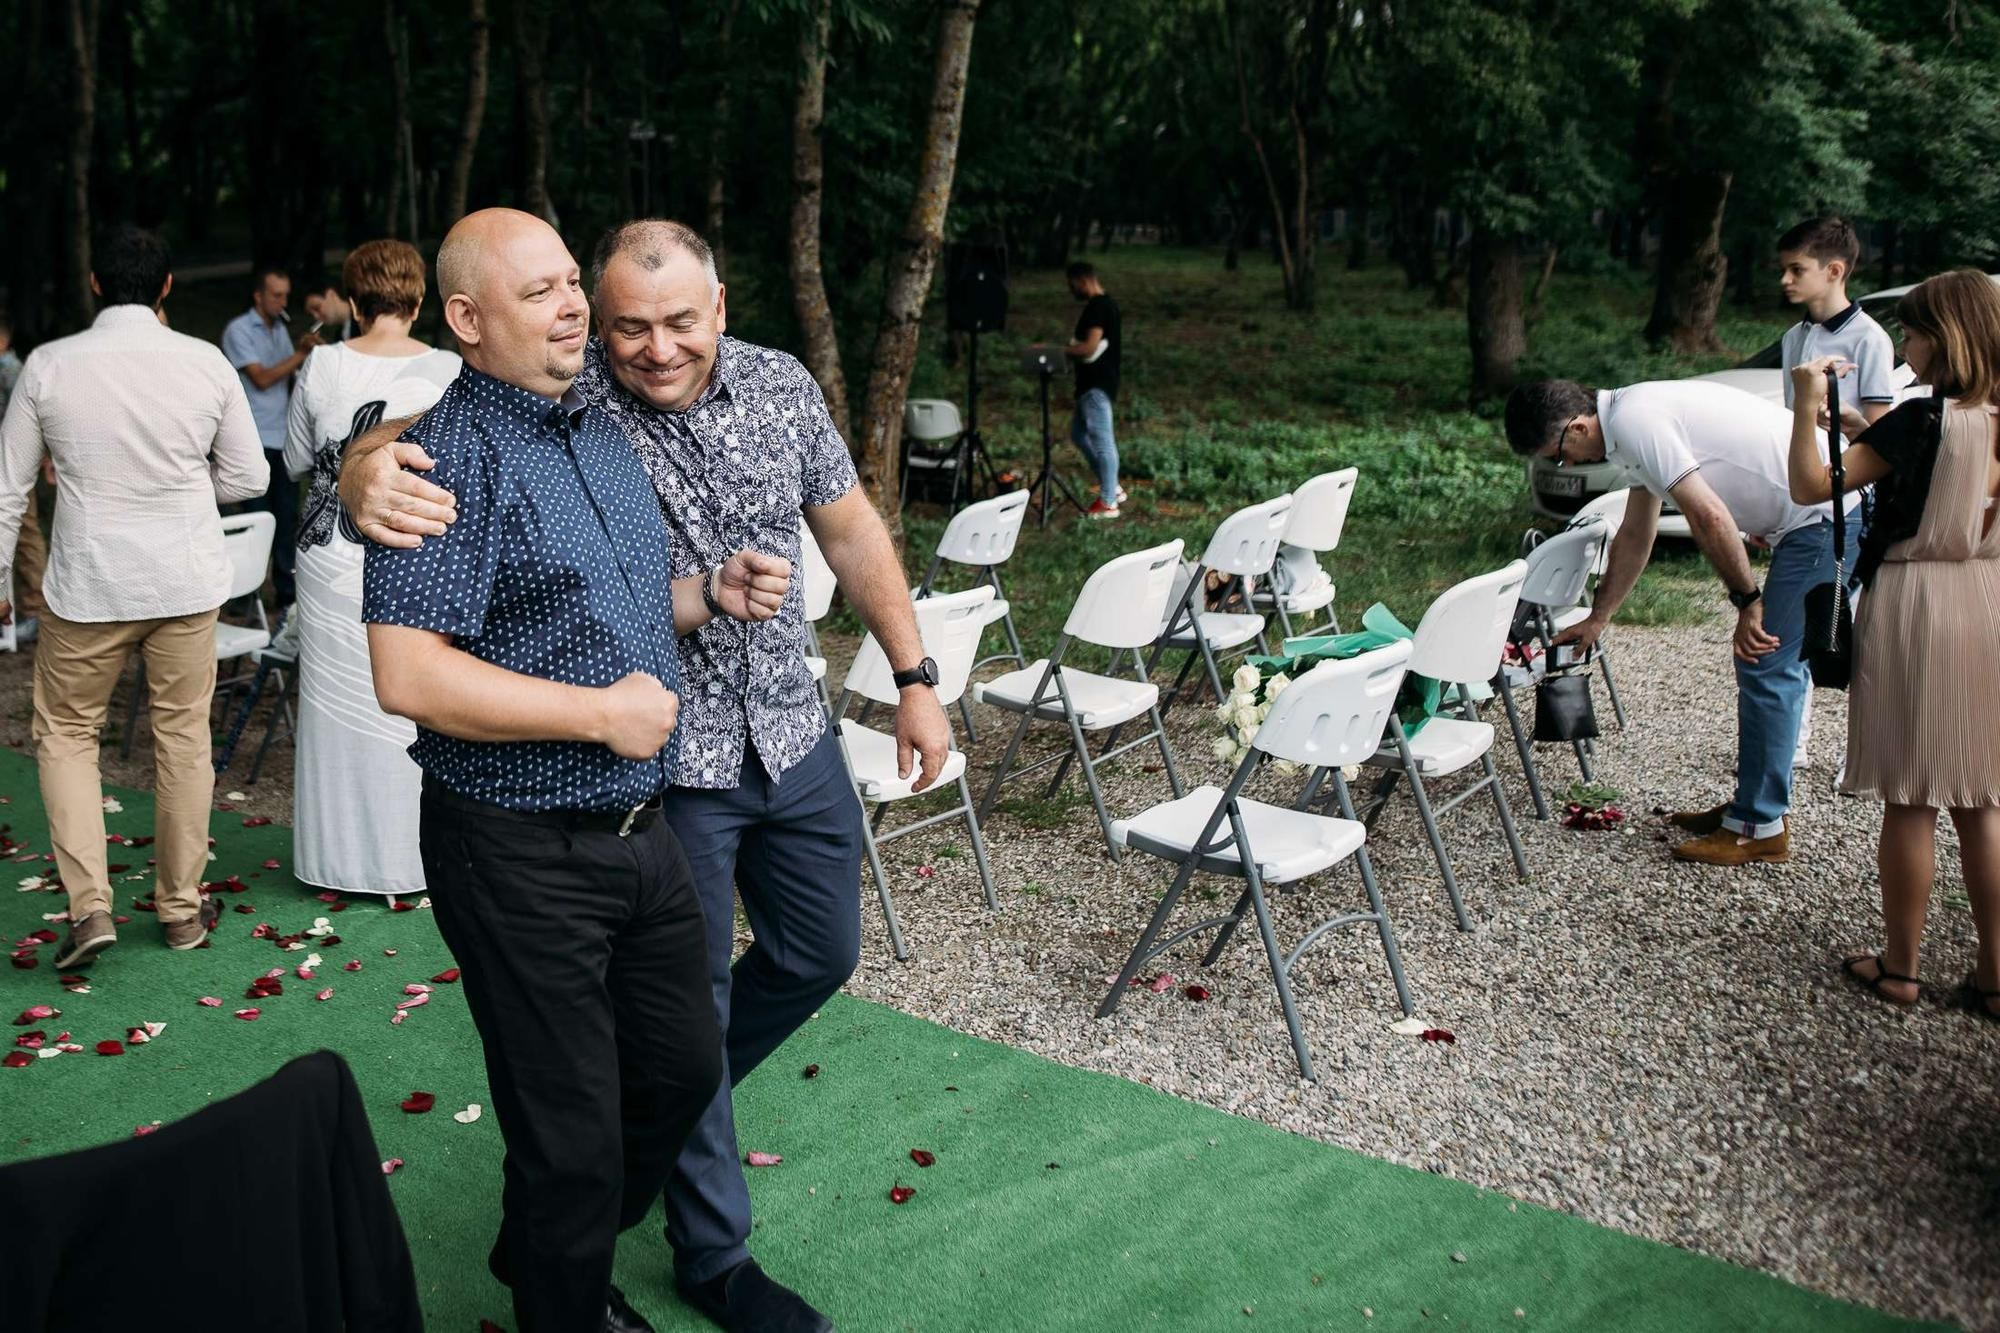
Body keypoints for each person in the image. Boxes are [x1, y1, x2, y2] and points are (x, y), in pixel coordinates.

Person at [341, 217, 950, 1333]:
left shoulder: (678, 403)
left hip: (722, 767)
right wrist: (355, 468)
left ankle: (562, 1210)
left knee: (731, 1022)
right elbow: (411, 607)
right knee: (612, 1091)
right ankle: (662, 1262)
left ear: (721, 309)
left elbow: (840, 530)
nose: (642, 341)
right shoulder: (518, 422)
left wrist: (885, 661)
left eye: (673, 321)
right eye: (614, 317)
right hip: (602, 800)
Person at [0, 225, 269, 970]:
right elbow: (248, 478)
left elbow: (6, 487)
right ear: (167, 287)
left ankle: (90, 909)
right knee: (184, 739)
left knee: (66, 735)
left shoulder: (50, 365)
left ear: (94, 285)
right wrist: (180, 489)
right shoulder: (206, 361)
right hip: (183, 580)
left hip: (89, 583)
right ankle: (181, 912)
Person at [1504, 377, 1858, 866]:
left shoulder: (1635, 420)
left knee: (1767, 660)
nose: (1569, 464)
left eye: (1561, 453)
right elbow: (1635, 532)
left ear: (1578, 426)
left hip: (1829, 515)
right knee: (1770, 663)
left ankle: (1758, 825)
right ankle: (1753, 808)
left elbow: (1708, 515)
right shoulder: (1628, 420)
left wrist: (1747, 600)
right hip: (1812, 514)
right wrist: (1599, 618)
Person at [1785, 270, 2000, 1017]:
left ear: (1945, 338)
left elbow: (1812, 487)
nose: (1904, 349)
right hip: (1991, 596)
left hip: (1918, 600)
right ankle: (1995, 975)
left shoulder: (1920, 422)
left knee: (1912, 796)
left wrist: (1807, 408)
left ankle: (1902, 967)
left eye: (1911, 333)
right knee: (1982, 796)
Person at [282, 240, 459, 898]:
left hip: (330, 556)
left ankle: (333, 865)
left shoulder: (324, 363)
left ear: (354, 302)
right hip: (417, 549)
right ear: (417, 302)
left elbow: (298, 460)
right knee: (412, 705)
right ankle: (410, 865)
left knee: (333, 714)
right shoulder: (447, 367)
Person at [223, 267, 319, 612]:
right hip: (252, 438)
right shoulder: (238, 331)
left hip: (283, 438)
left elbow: (287, 379)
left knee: (285, 516)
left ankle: (284, 590)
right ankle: (242, 595)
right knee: (254, 516)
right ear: (258, 296)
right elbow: (262, 378)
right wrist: (299, 354)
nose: (282, 302)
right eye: (276, 295)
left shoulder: (279, 330)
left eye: (285, 295)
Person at [1064, 260, 1125, 518]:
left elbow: (1089, 347)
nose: (1071, 290)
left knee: (1102, 441)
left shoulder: (1098, 307)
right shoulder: (1105, 305)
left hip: (1096, 384)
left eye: (1072, 285)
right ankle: (1113, 486)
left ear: (1082, 280)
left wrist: (1058, 352)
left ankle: (1109, 501)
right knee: (1079, 434)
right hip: (1091, 384)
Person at [0, 312, 47, 643]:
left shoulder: (12, 370)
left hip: (14, 464)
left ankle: (35, 609)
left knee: (25, 530)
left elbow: (30, 419)